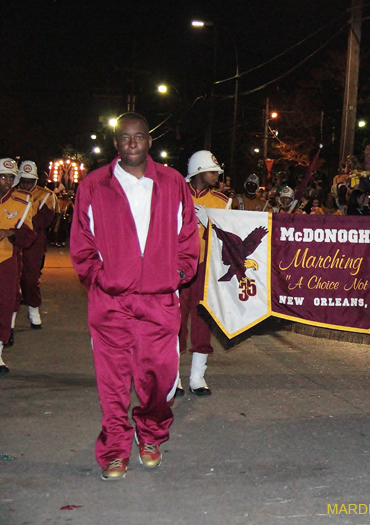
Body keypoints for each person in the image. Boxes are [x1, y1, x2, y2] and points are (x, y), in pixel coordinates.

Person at [70, 113, 199, 480]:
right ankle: (114, 449)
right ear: (116, 143)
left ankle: (152, 435)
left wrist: (178, 273)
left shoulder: (173, 182)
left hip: (159, 299)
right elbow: (81, 242)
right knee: (112, 382)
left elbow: (188, 235)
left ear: (148, 141)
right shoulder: (95, 185)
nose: (132, 144)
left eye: (139, 137)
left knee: (160, 378)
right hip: (111, 302)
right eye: (125, 138)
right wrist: (100, 277)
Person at [180, 150, 232, 397]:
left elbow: (228, 239)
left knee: (202, 319)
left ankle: (197, 376)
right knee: (174, 320)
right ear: (200, 172)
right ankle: (171, 376)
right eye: (213, 172)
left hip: (206, 267)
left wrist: (211, 224)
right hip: (176, 265)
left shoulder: (222, 201)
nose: (217, 177)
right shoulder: (174, 195)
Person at [0, 159, 35, 375]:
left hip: (5, 259)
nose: (7, 181)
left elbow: (29, 235)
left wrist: (10, 232)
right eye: (3, 176)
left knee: (5, 304)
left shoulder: (22, 202)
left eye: (11, 178)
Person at [15, 161, 57, 330]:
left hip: (33, 241)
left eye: (29, 181)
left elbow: (44, 219)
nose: (25, 184)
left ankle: (33, 308)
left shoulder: (46, 196)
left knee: (30, 278)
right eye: (23, 180)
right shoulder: (11, 194)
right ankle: (9, 317)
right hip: (11, 240)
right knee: (10, 280)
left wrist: (21, 228)